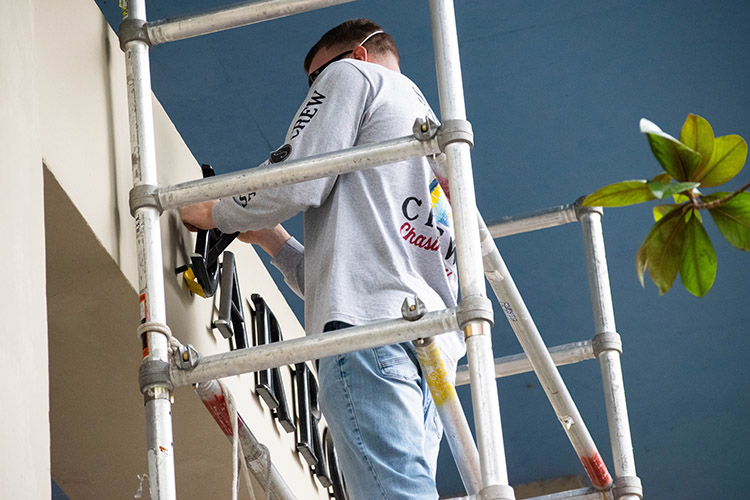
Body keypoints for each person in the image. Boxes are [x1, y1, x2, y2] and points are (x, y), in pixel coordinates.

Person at [180, 19, 465, 500]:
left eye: (316, 80)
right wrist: (275, 243)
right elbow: (359, 273)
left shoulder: (355, 76)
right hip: (430, 352)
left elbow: (299, 179)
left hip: (372, 338)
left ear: (357, 54)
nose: (316, 91)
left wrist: (215, 211)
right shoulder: (431, 141)